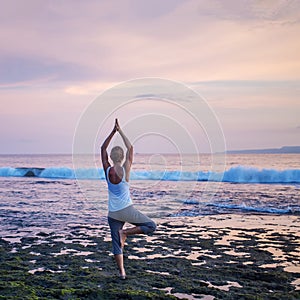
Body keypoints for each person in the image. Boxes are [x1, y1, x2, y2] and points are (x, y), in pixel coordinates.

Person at [101, 119, 156, 279]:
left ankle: (122, 273)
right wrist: (121, 131)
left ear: (111, 157)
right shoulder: (126, 169)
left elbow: (102, 148)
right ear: (123, 156)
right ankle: (125, 233)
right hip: (127, 210)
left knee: (116, 244)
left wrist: (113, 131)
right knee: (150, 225)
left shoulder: (107, 170)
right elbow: (131, 147)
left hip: (113, 213)